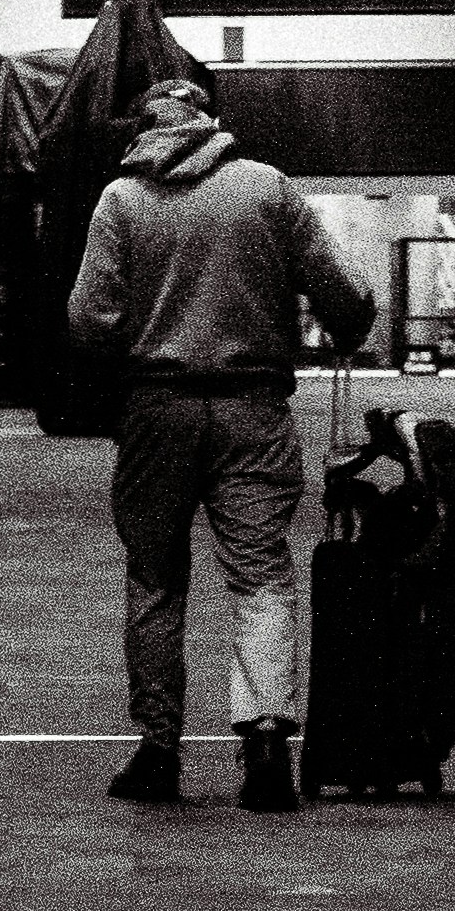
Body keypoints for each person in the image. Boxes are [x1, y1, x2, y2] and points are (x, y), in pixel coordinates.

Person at [67, 74, 375, 812]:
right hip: (252, 409)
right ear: (210, 122)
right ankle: (265, 741)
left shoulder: (122, 200)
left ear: (143, 126)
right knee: (261, 575)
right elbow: (342, 293)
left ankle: (158, 752)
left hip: (156, 410)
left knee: (155, 580)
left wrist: (130, 353)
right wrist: (347, 326)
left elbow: (88, 318)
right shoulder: (266, 188)